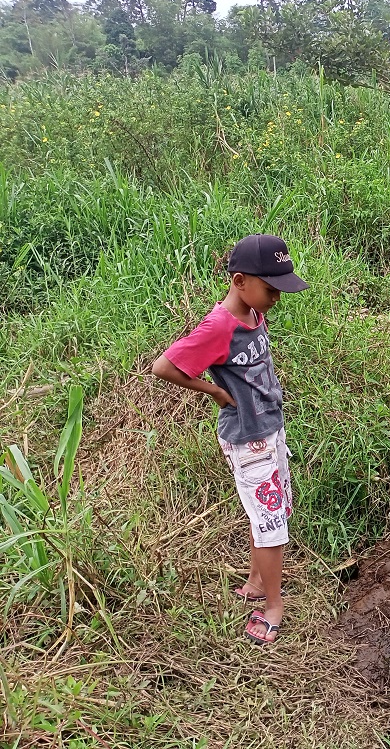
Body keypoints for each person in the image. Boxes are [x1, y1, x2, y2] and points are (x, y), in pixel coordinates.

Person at [152, 234, 309, 644]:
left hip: (270, 427)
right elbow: (164, 367)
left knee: (270, 514)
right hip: (247, 437)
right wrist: (216, 392)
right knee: (271, 523)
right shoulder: (218, 325)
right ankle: (274, 605)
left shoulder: (255, 313)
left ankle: (258, 583)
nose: (276, 297)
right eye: (271, 289)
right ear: (239, 281)